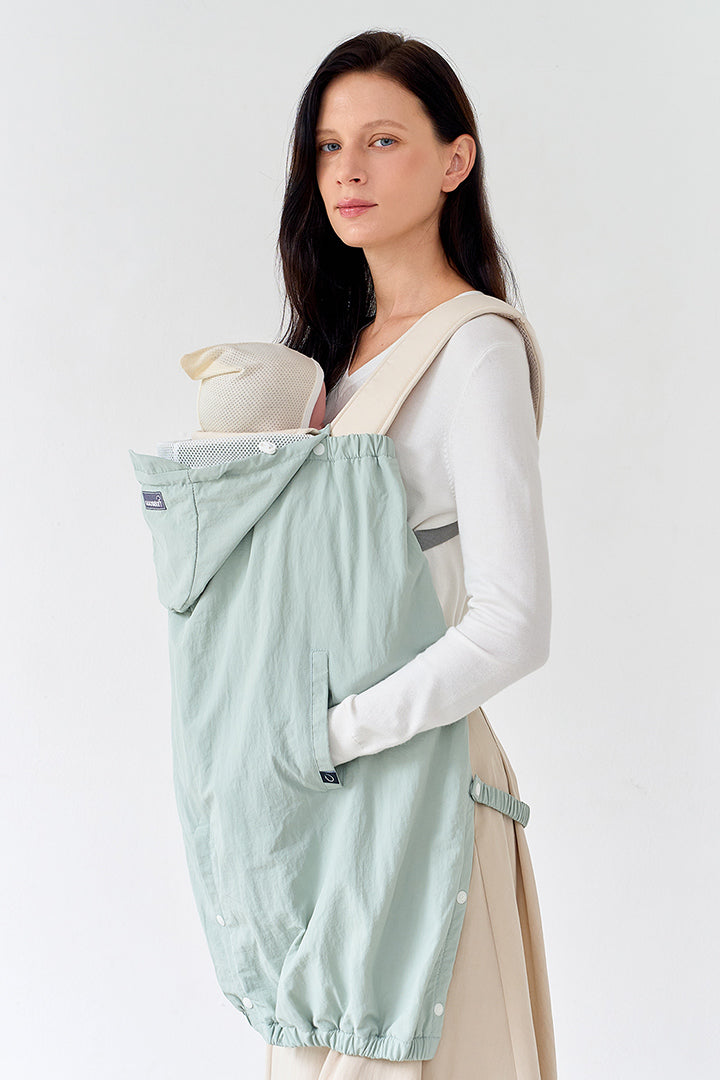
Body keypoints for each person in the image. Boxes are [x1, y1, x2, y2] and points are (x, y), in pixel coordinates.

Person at [265, 28, 558, 1080]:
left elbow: (513, 624)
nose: (348, 169)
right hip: (331, 800)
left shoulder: (474, 346)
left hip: (420, 788)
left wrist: (336, 732)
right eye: (328, 145)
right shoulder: (328, 362)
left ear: (454, 161)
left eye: (383, 140)